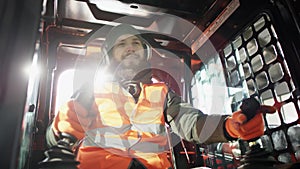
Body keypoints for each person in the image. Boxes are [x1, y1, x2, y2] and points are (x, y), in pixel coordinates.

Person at [45, 24, 276, 169]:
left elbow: (192, 123)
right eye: (121, 44)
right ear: (109, 55)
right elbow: (57, 140)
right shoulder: (90, 91)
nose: (130, 47)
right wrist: (58, 129)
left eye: (136, 43)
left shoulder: (162, 93)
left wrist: (229, 127)